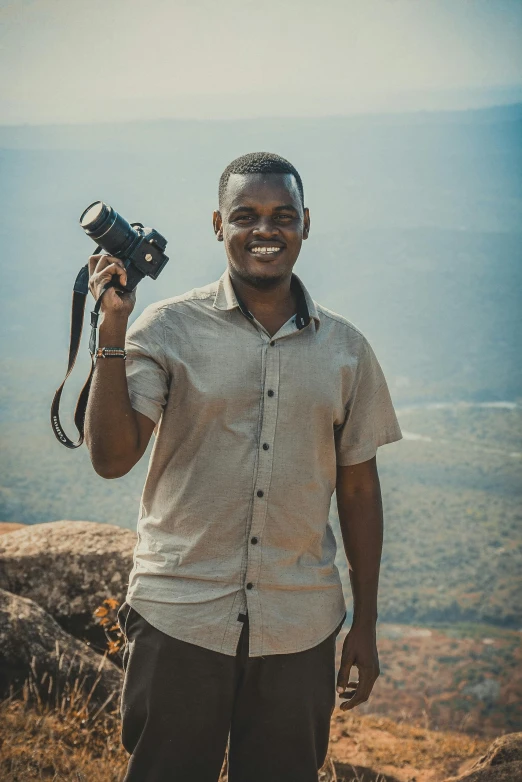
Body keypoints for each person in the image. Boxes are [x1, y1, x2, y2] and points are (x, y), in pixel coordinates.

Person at [85, 151, 403, 782]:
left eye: (283, 215)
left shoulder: (347, 349)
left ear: (306, 223)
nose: (266, 230)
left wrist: (364, 623)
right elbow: (112, 458)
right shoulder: (167, 328)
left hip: (300, 626)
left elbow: (360, 490)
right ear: (216, 224)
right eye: (246, 215)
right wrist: (112, 330)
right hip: (180, 616)